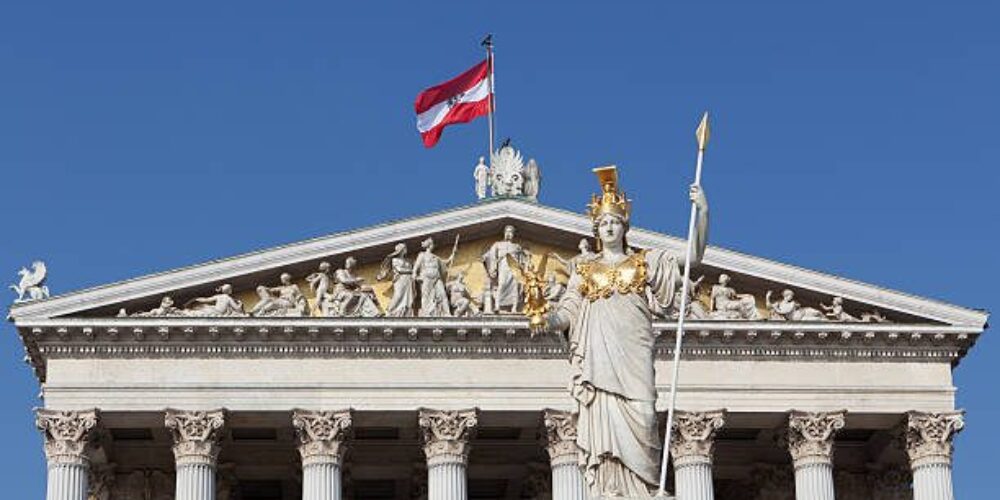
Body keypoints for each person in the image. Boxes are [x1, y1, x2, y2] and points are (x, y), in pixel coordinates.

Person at [534, 166, 709, 497]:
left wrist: (702, 211)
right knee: (604, 433)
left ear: (625, 226)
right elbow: (568, 313)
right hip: (599, 362)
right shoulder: (584, 271)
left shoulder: (645, 262)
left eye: (614, 222)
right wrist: (545, 319)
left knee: (644, 416)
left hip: (633, 355)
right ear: (597, 230)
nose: (609, 227)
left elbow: (693, 257)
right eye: (603, 223)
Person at [482, 225, 531, 313]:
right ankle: (497, 306)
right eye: (507, 232)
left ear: (513, 234)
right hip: (503, 267)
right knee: (502, 284)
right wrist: (492, 267)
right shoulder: (498, 244)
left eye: (511, 232)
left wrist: (527, 258)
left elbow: (523, 261)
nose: (508, 234)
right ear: (504, 233)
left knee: (515, 288)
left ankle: (514, 308)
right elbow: (491, 255)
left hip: (514, 269)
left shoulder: (517, 247)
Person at [412, 238, 454, 317]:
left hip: (437, 278)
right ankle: (426, 313)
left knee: (442, 294)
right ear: (429, 245)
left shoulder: (436, 257)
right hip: (426, 278)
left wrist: (452, 255)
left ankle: (447, 313)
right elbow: (416, 267)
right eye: (432, 244)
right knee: (426, 295)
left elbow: (445, 262)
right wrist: (415, 275)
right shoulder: (422, 255)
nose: (433, 246)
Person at [377, 243, 416, 317]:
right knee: (398, 295)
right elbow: (399, 269)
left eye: (405, 248)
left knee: (410, 297)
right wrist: (411, 271)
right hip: (400, 280)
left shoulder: (408, 260)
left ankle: (407, 312)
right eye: (404, 248)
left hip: (408, 280)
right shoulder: (395, 260)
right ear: (400, 250)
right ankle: (390, 310)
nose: (406, 250)